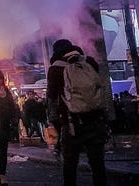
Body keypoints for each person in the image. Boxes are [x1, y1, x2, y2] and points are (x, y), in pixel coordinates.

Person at [46, 39, 107, 186]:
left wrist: (54, 124)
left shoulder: (55, 69)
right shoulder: (90, 62)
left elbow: (51, 98)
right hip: (95, 120)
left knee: (70, 163)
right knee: (97, 163)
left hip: (71, 122)